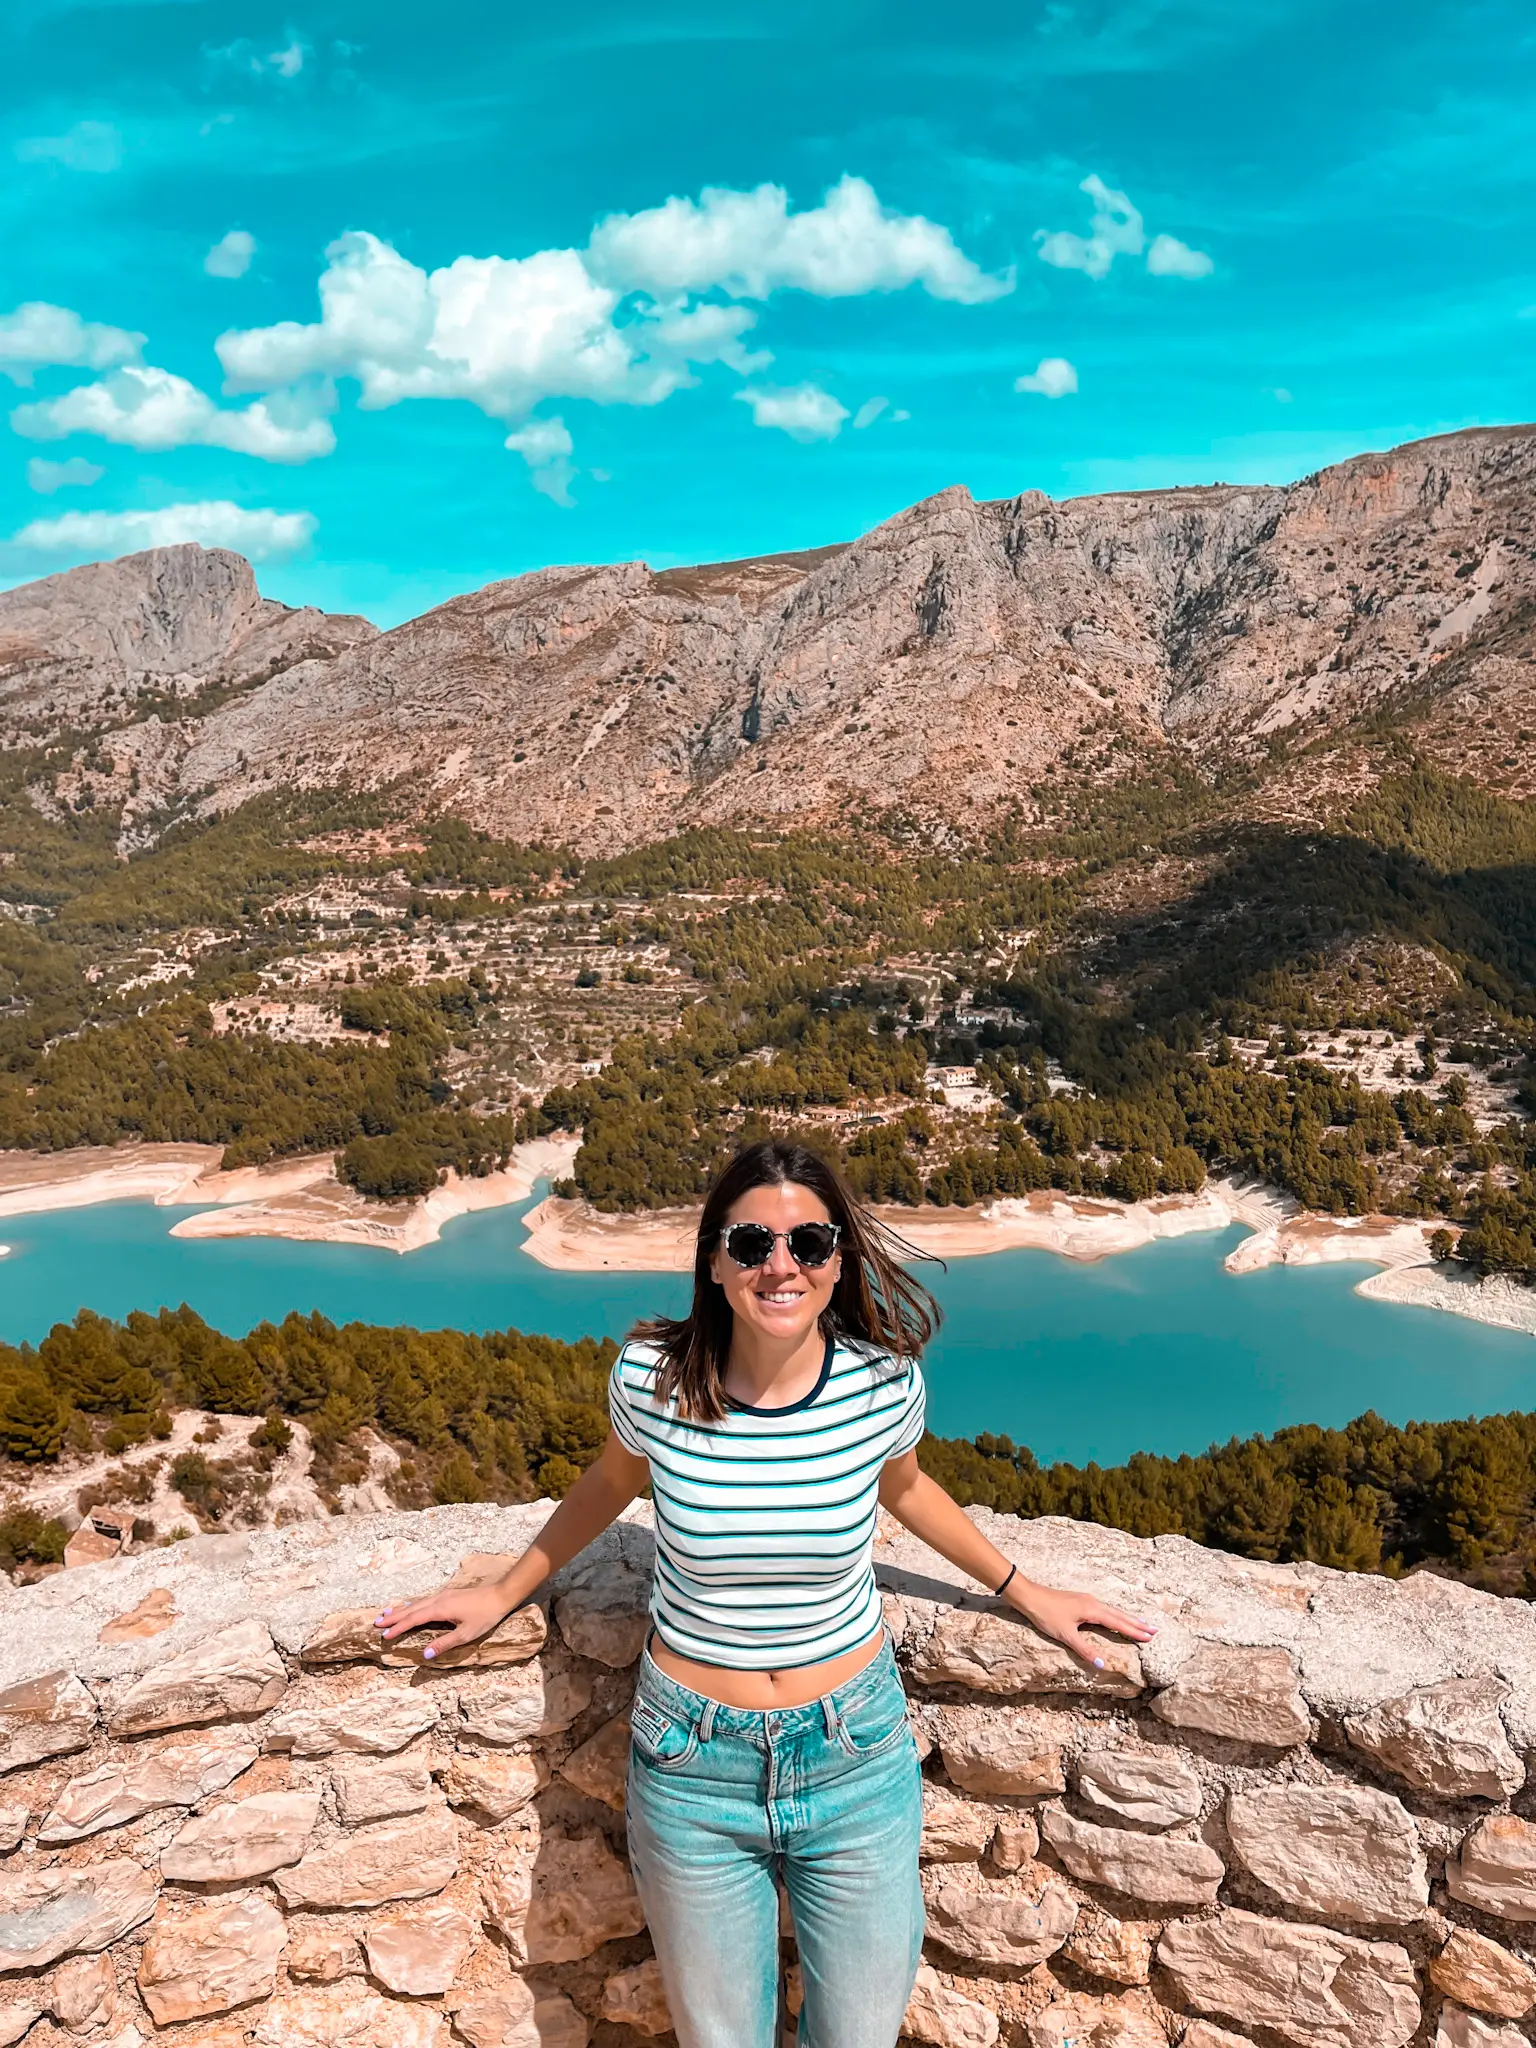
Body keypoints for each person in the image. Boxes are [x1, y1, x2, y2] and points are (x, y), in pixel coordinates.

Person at [376, 1137, 1155, 2048]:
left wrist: (1027, 1590)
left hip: (853, 1751)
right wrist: (506, 1590)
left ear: (838, 1260)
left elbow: (906, 1488)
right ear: (713, 1261)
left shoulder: (881, 1383)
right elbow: (607, 1485)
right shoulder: (654, 1380)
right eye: (751, 1245)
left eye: (809, 1244)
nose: (780, 1267)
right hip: (690, 1761)